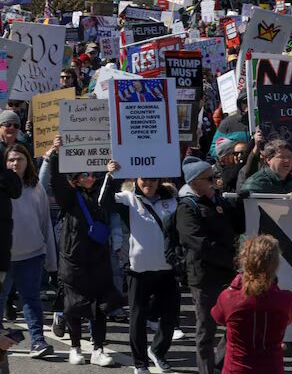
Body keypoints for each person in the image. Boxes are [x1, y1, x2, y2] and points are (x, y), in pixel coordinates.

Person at [109, 164, 182, 374]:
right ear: (136, 179)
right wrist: (112, 174)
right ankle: (140, 364)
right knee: (138, 318)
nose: (147, 183)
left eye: (152, 179)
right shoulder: (127, 197)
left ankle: (157, 351)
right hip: (138, 269)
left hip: (167, 268)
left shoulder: (172, 199)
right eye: (143, 179)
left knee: (170, 316)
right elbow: (103, 201)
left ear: (159, 180)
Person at [49, 158, 121, 366]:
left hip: (98, 259)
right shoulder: (69, 197)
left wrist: (111, 173)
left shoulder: (100, 193)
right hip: (73, 261)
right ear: (76, 179)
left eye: (92, 174)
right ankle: (75, 348)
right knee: (73, 306)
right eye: (84, 175)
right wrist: (55, 158)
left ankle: (98, 348)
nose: (90, 178)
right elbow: (56, 182)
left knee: (99, 307)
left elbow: (107, 195)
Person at [177, 156, 243, 374]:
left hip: (227, 273)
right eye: (210, 178)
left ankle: (218, 362)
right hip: (204, 277)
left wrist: (245, 200)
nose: (216, 181)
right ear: (195, 182)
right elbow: (197, 242)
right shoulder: (188, 208)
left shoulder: (219, 201)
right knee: (206, 329)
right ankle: (205, 370)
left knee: (235, 323)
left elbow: (238, 224)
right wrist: (230, 259)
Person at [0, 142, 54, 360]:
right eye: (11, 160)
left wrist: (51, 259)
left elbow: (45, 222)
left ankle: (38, 341)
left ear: (27, 163)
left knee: (31, 299)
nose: (15, 163)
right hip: (5, 257)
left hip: (32, 255)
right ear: (5, 163)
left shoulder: (36, 187)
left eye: (19, 159)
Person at [212, 235, 292, 374]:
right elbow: (289, 319)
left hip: (236, 369)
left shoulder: (229, 297)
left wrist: (235, 285)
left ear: (245, 261)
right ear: (275, 265)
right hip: (271, 368)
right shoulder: (286, 298)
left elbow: (218, 317)